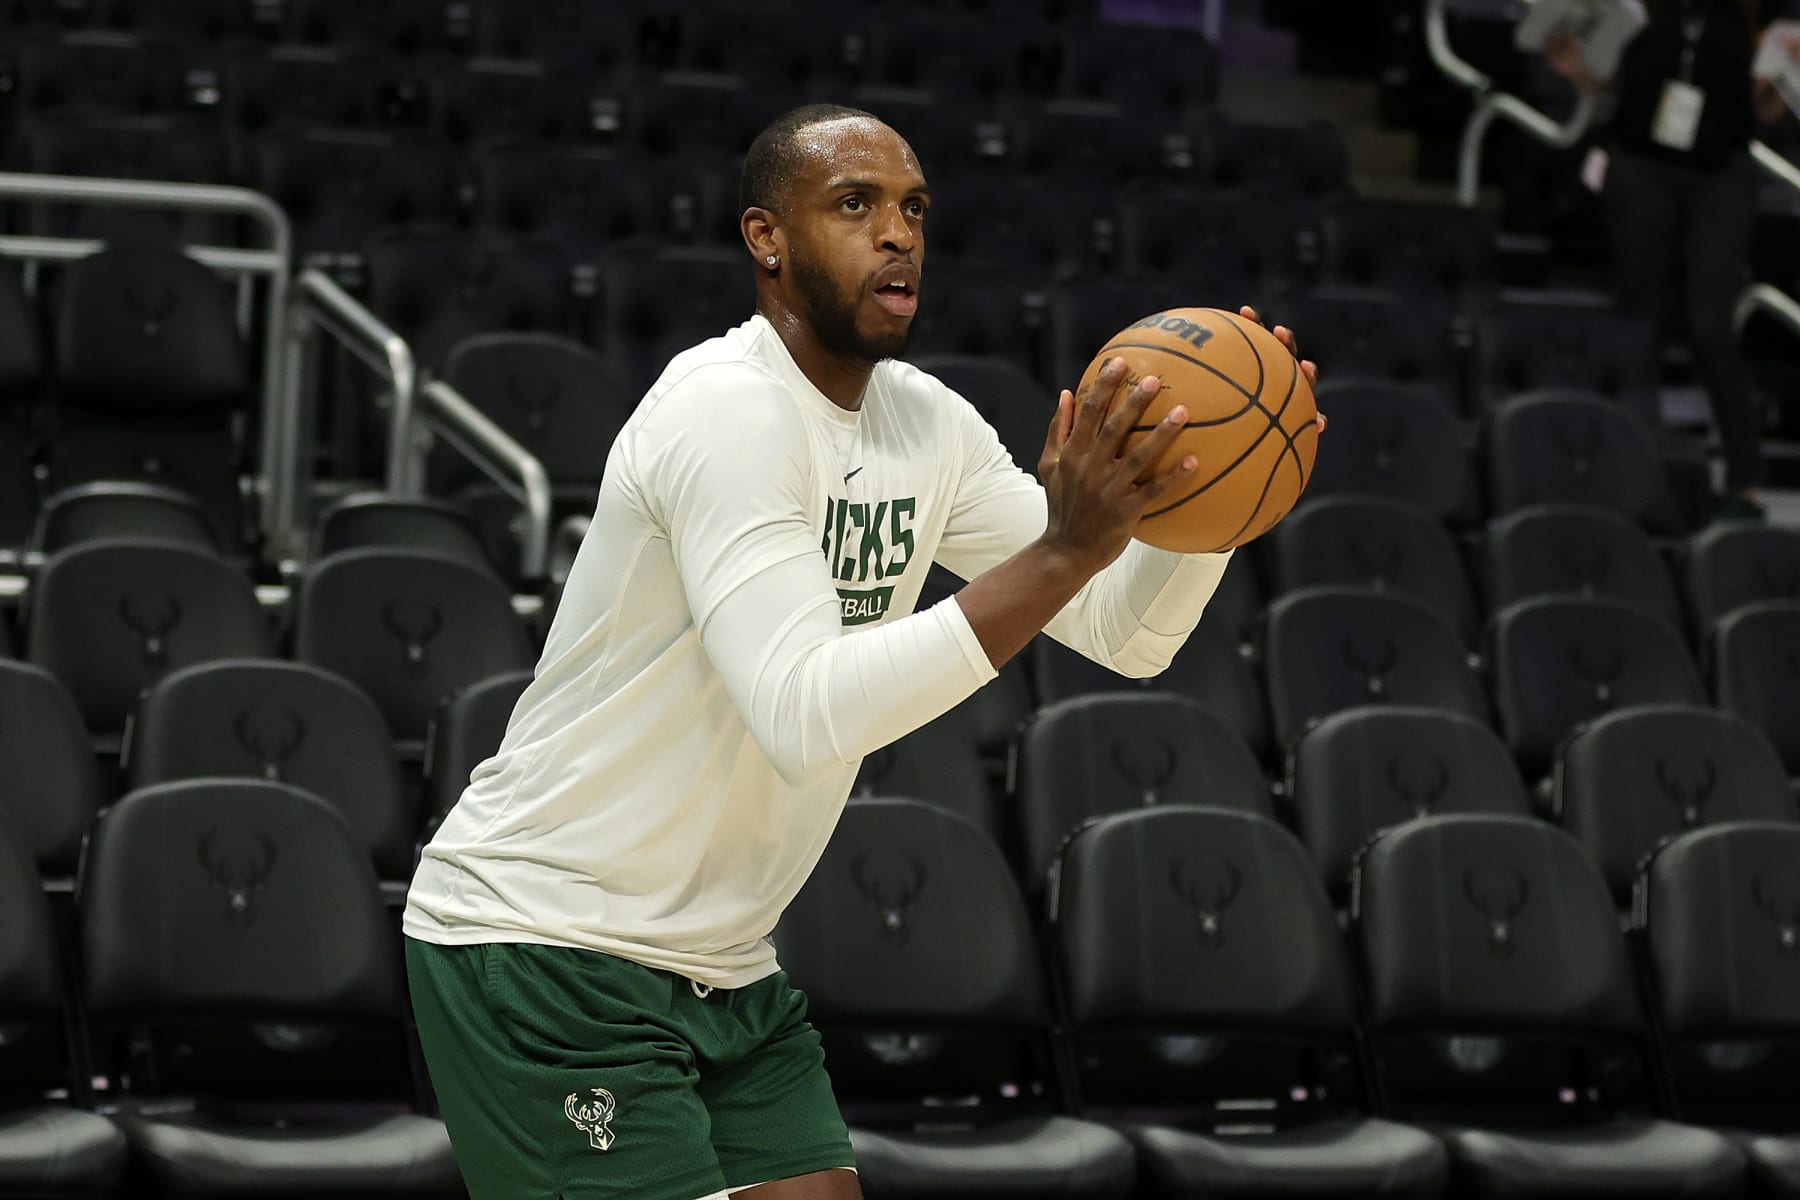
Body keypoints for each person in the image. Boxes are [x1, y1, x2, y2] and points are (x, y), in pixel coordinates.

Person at [402, 103, 1321, 1200]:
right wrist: (1068, 549)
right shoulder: (725, 414)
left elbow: (1127, 633)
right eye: (856, 204)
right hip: (545, 946)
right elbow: (803, 712)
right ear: (766, 239)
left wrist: (1196, 507)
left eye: (914, 207)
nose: (900, 233)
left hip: (722, 965)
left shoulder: (926, 425)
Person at [1548, 0, 1796, 521]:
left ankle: (1745, 477)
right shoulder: (1639, 12)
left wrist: (1784, 74)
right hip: (1642, 165)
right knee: (1639, 319)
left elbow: (1764, 108)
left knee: (1712, 326)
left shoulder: (1750, 17)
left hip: (1720, 171)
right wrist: (1576, 72)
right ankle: (1624, 468)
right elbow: (1605, 84)